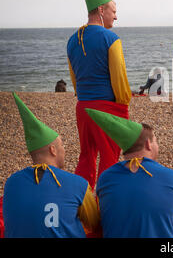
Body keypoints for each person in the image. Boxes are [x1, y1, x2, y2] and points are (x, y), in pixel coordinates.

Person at [85, 108, 173, 238]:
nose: (157, 145)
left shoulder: (105, 177)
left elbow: (103, 219)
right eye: (156, 141)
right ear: (148, 144)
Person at [67, 0, 132, 190]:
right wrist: (124, 103)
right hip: (108, 108)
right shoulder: (110, 38)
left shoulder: (72, 40)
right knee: (109, 157)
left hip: (83, 106)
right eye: (113, 11)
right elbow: (119, 78)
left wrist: (83, 96)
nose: (116, 16)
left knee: (86, 156)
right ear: (101, 10)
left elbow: (74, 80)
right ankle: (106, 206)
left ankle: (81, 205)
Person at [3, 93, 100, 238]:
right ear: (52, 150)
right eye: (62, 144)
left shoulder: (11, 183)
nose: (64, 149)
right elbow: (93, 223)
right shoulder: (77, 184)